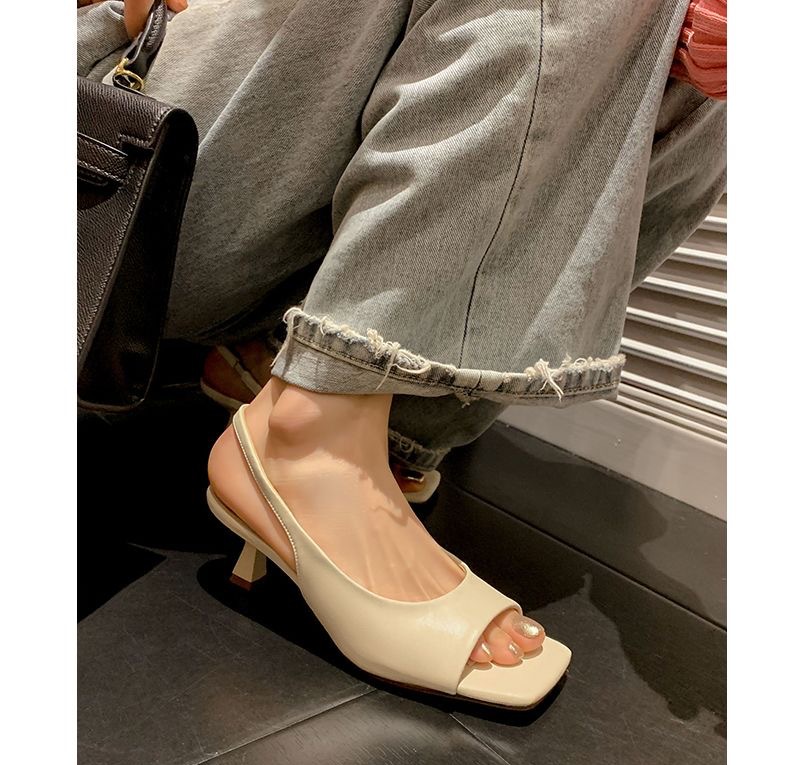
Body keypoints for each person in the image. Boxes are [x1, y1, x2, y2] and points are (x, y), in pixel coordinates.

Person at [78, 0, 726, 709]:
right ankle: (313, 436)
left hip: (264, 198)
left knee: (702, 79)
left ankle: (361, 407)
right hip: (127, 163)